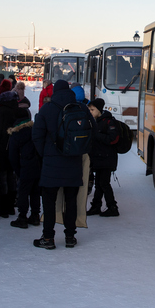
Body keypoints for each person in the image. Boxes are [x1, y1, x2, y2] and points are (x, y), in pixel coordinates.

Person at [31, 79, 96, 249]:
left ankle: (48, 238)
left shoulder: (47, 109)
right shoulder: (80, 108)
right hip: (73, 162)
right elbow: (93, 130)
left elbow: (36, 135)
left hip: (51, 164)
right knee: (71, 201)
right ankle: (70, 237)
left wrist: (45, 154)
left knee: (49, 203)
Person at [0, 85, 20, 217]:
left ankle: (3, 209)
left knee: (1, 178)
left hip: (1, 148)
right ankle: (11, 206)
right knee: (11, 177)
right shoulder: (16, 108)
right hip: (13, 147)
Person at [8, 108, 41, 229]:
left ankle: (22, 217)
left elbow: (13, 156)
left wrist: (18, 170)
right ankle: (35, 215)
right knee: (35, 192)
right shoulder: (34, 131)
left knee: (23, 192)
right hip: (36, 166)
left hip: (24, 166)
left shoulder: (16, 134)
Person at [87, 98, 120, 217]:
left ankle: (112, 207)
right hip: (98, 158)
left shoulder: (109, 122)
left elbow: (113, 139)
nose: (90, 112)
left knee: (104, 183)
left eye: (92, 109)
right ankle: (96, 206)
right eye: (89, 109)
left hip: (107, 158)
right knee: (99, 183)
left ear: (99, 110)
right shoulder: (94, 122)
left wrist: (97, 135)